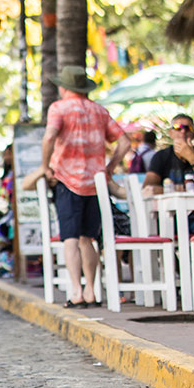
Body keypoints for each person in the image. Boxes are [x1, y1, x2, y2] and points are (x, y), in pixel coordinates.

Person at [40, 66, 129, 309]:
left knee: (70, 238)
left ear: (64, 87)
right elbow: (124, 141)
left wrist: (45, 166)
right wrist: (110, 167)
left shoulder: (59, 108)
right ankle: (92, 290)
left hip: (67, 181)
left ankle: (76, 291)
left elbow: (49, 137)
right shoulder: (99, 111)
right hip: (95, 183)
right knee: (88, 237)